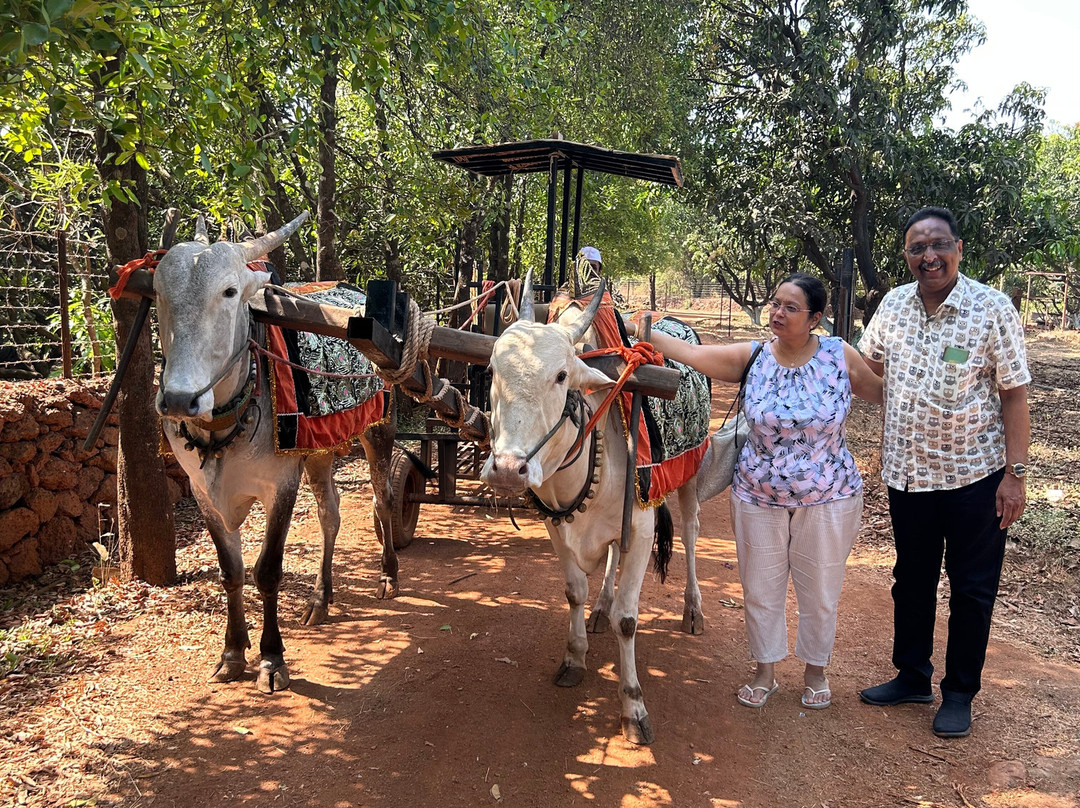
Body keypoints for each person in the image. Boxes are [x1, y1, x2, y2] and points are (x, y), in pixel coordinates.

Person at [629, 273, 883, 709]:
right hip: (756, 495)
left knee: (820, 590)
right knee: (760, 588)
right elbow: (690, 352)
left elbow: (882, 393)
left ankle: (816, 672)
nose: (777, 313)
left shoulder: (839, 356)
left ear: (815, 318)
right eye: (774, 304)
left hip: (828, 496)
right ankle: (765, 671)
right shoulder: (754, 358)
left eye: (790, 307)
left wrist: (928, 368)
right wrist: (640, 326)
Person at [858, 206, 1031, 739]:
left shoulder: (991, 308)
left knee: (972, 589)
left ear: (957, 248)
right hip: (907, 476)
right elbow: (869, 370)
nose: (927, 256)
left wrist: (1015, 475)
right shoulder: (893, 305)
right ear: (906, 255)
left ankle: (959, 693)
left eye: (937, 245)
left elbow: (1015, 394)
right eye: (916, 248)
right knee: (910, 581)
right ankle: (912, 675)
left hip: (974, 479)